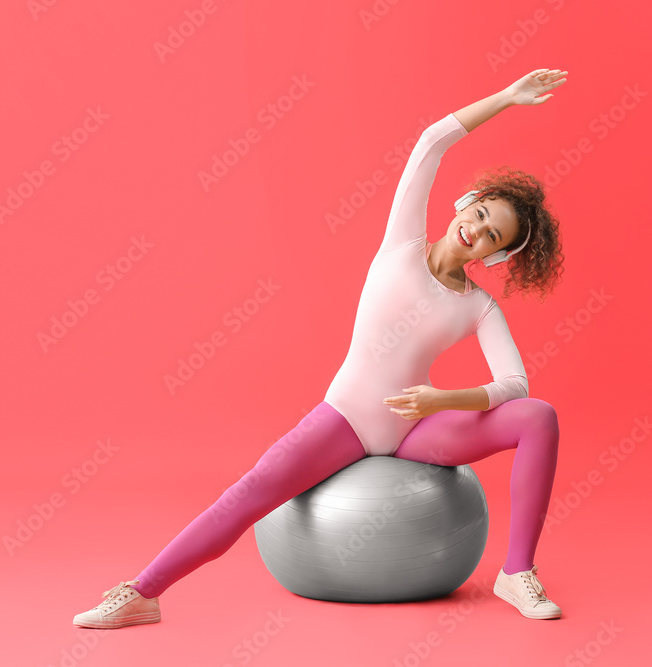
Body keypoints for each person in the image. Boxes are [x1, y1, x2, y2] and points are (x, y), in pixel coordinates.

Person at [74, 68, 568, 628]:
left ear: (496, 255)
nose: (476, 231)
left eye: (493, 235)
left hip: (418, 429)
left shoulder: (478, 307)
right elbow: (431, 141)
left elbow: (515, 387)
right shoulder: (401, 246)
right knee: (252, 491)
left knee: (539, 417)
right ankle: (143, 592)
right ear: (466, 204)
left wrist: (441, 400)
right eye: (479, 214)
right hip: (348, 417)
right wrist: (506, 98)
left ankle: (517, 573)